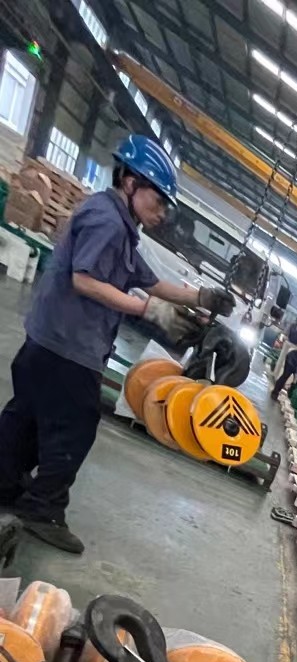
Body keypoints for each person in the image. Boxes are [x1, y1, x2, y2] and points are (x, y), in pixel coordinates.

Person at [0, 135, 233, 554]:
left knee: (28, 417)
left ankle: (5, 484)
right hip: (68, 348)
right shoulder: (107, 222)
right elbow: (84, 280)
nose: (161, 213)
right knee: (75, 426)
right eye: (157, 201)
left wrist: (201, 297)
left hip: (49, 343)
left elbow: (150, 281)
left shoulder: (119, 224)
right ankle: (42, 509)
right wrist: (148, 310)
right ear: (130, 182)